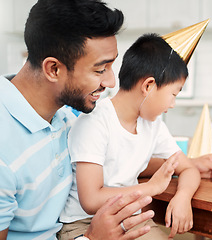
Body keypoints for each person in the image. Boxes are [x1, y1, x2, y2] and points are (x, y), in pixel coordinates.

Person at [0, 0, 155, 239]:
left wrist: (178, 164)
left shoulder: (63, 115)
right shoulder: (4, 151)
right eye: (100, 70)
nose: (111, 82)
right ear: (53, 69)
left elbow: (108, 157)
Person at [59, 33, 204, 240]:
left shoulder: (153, 124)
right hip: (84, 224)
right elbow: (90, 199)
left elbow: (188, 167)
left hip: (130, 217)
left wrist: (183, 196)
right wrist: (151, 188)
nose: (172, 105)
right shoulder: (95, 121)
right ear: (148, 86)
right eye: (173, 95)